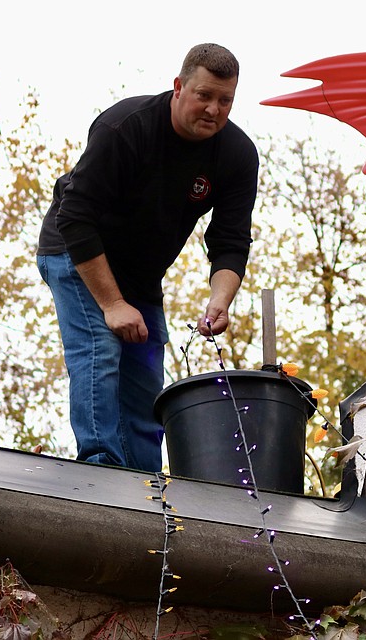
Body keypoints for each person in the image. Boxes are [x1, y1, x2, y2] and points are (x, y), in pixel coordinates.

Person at [37, 43, 259, 472]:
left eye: (225, 100)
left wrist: (221, 299)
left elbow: (231, 240)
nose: (214, 109)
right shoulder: (126, 126)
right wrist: (113, 304)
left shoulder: (236, 155)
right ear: (178, 87)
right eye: (204, 95)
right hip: (77, 253)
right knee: (102, 349)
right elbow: (76, 217)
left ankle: (142, 485)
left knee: (145, 374)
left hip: (140, 275)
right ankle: (101, 469)